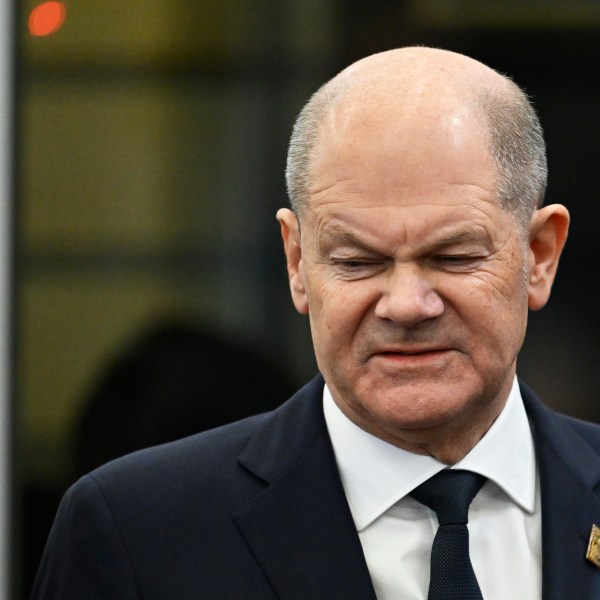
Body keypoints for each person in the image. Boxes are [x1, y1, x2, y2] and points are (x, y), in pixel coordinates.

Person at [31, 47, 599, 599]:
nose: (405, 305)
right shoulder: (138, 531)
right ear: (298, 262)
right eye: (357, 262)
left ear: (539, 255)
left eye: (453, 257)